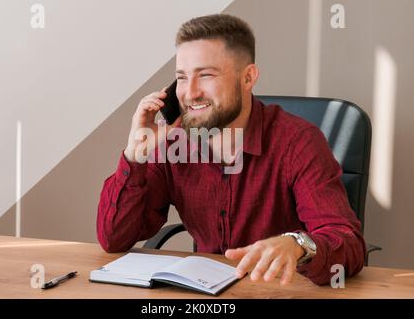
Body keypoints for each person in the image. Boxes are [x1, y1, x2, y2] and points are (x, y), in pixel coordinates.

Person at [96, 14, 366, 286]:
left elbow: (349, 244)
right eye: (182, 77)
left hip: (281, 290)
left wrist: (297, 245)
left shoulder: (298, 142)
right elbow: (113, 239)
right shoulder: (172, 143)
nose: (190, 93)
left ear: (248, 77)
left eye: (206, 75)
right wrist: (135, 155)